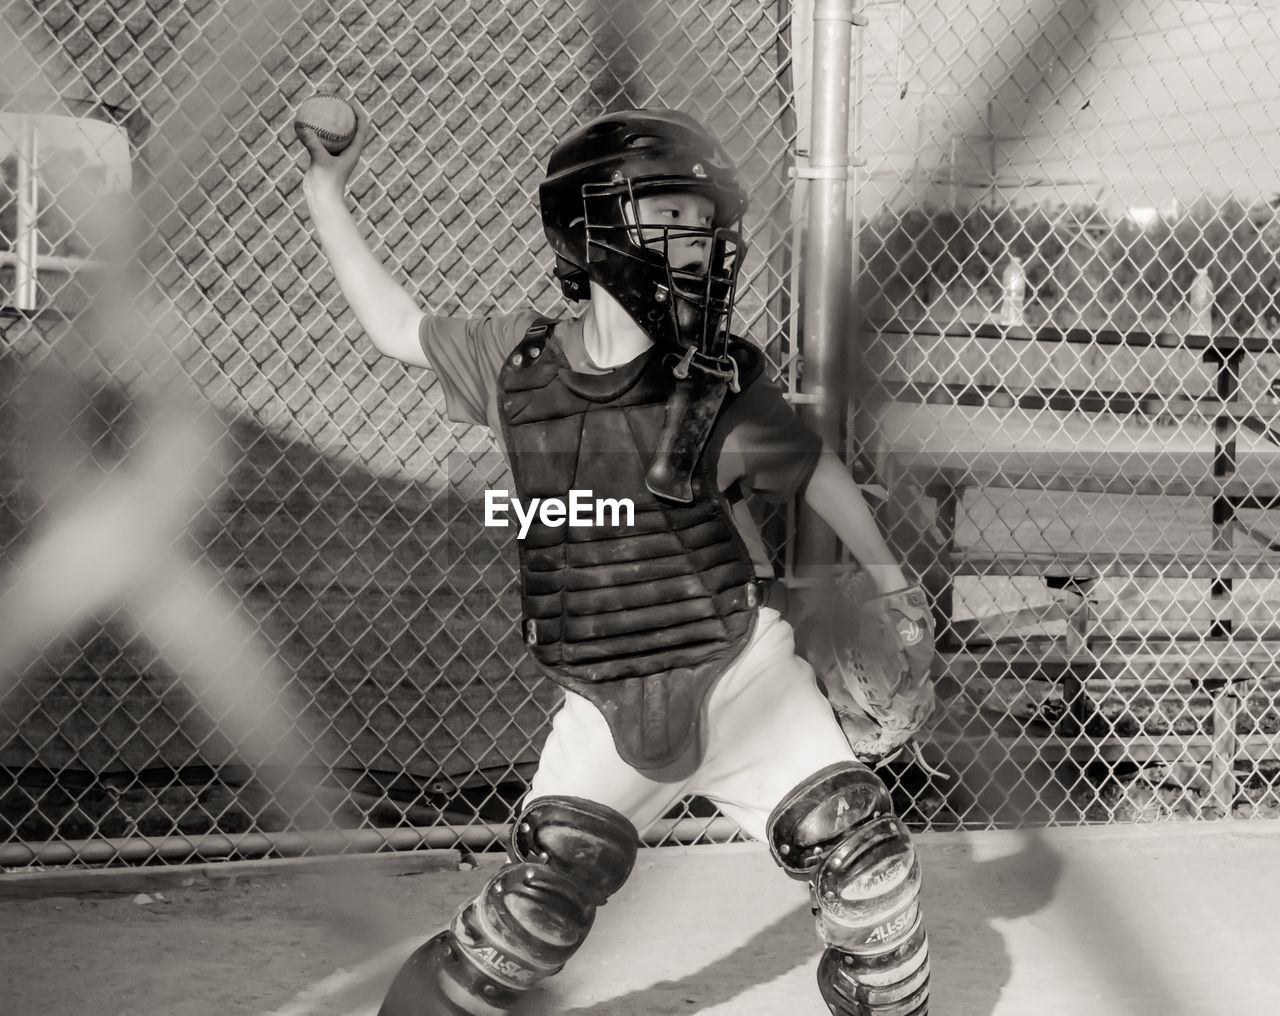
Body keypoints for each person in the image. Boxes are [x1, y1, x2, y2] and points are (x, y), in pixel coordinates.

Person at [297, 105, 931, 1016]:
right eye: (671, 218)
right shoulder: (514, 366)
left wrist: (892, 583)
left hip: (739, 670)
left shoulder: (716, 383)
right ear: (593, 230)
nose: (702, 243)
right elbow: (397, 325)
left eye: (706, 223)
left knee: (873, 878)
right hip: (607, 694)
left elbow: (810, 466)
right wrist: (326, 190)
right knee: (525, 926)